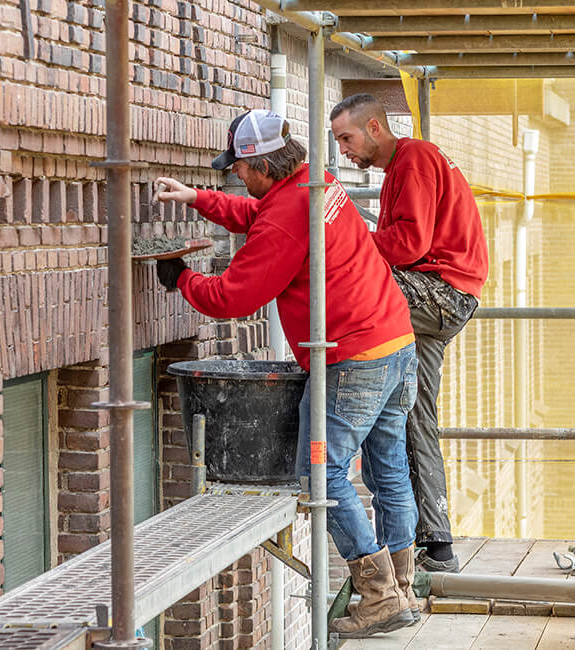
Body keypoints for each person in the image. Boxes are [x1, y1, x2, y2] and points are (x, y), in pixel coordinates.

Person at [153, 109, 421, 637]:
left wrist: (180, 277)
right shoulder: (315, 181)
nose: (236, 178)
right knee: (388, 470)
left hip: (354, 359)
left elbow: (234, 297)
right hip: (395, 343)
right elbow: (265, 215)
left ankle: (378, 596)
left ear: (258, 164)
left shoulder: (284, 215)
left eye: (239, 170)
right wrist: (197, 199)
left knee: (320, 473)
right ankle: (404, 584)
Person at [330, 94, 489, 573]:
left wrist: (348, 238)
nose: (344, 152)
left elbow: (407, 245)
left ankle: (344, 404)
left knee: (346, 274)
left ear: (375, 127)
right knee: (413, 412)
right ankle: (436, 544)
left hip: (440, 293)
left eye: (347, 138)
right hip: (438, 295)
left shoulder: (413, 158)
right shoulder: (403, 167)